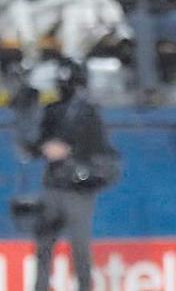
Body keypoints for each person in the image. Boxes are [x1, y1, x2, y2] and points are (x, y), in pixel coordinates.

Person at [30, 57, 118, 291]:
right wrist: (45, 147)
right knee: (43, 246)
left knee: (80, 249)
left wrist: (71, 152)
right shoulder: (51, 111)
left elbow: (100, 149)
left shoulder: (89, 113)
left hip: (78, 188)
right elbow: (34, 142)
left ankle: (84, 287)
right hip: (54, 184)